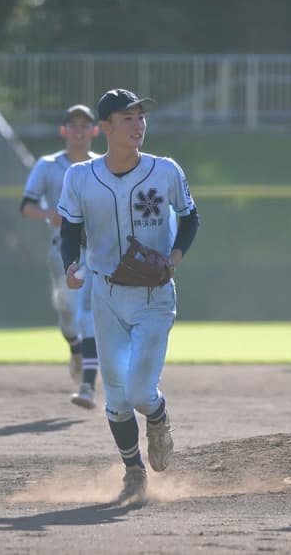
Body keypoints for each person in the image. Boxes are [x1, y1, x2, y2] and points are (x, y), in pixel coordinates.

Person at [58, 88, 199, 505]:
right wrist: (71, 264)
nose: (138, 125)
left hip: (154, 294)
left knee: (140, 392)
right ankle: (134, 472)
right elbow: (70, 228)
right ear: (105, 128)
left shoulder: (164, 170)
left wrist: (175, 255)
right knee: (117, 398)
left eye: (141, 118)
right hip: (106, 294)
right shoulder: (80, 177)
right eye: (128, 118)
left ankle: (157, 416)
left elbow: (190, 217)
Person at [21, 104, 101, 409]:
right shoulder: (48, 165)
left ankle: (87, 388)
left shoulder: (102, 166)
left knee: (88, 315)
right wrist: (48, 214)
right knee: (68, 314)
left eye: (85, 125)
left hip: (96, 252)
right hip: (62, 251)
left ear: (95, 131)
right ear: (63, 130)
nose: (79, 131)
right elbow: (26, 206)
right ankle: (76, 349)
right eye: (73, 125)